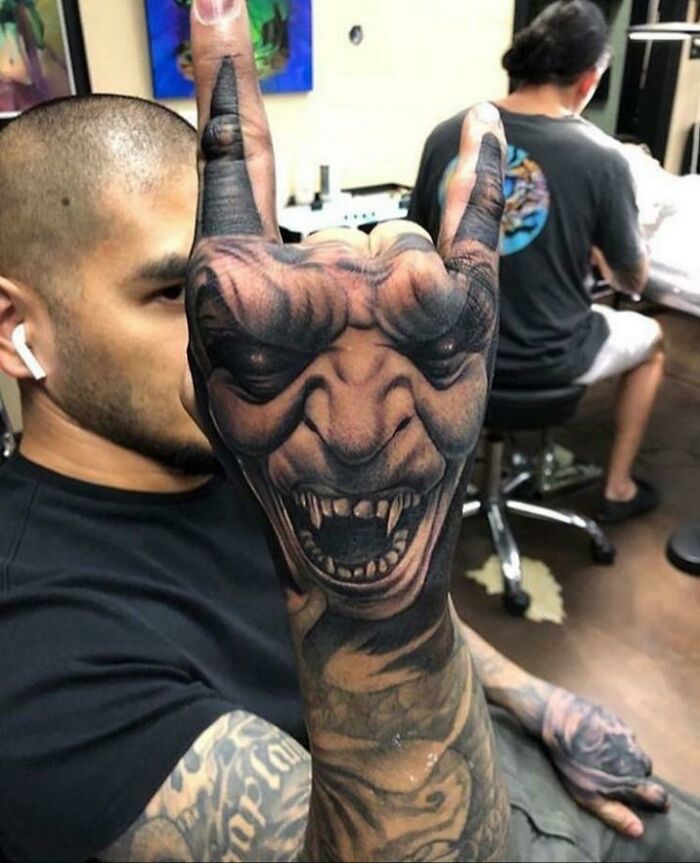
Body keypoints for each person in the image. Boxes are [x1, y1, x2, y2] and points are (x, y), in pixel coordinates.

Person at [0, 2, 697, 861]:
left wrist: (534, 697)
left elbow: (376, 588)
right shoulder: (29, 646)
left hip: (473, 734)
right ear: (12, 329)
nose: (218, 337)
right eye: (178, 294)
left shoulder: (223, 447)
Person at [409, 0, 665, 525]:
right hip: (545, 361)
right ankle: (616, 487)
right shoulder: (602, 159)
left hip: (450, 353)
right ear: (590, 78)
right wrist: (602, 252)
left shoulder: (447, 135)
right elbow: (634, 280)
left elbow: (416, 241)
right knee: (654, 342)